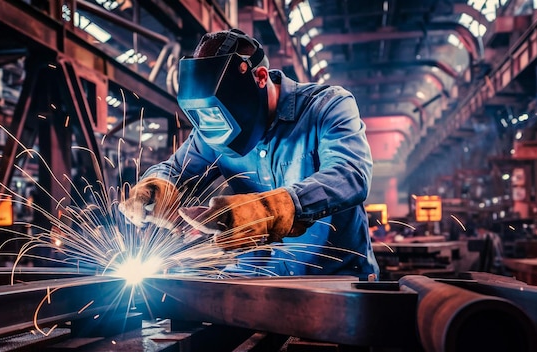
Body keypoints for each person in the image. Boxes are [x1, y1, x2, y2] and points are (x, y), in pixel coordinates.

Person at [119, 28, 379, 280]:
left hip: (331, 281)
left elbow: (350, 176)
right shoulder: (211, 130)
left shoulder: (328, 106)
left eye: (226, 113)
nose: (218, 127)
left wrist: (267, 209)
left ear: (261, 77)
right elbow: (174, 170)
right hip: (255, 282)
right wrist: (154, 188)